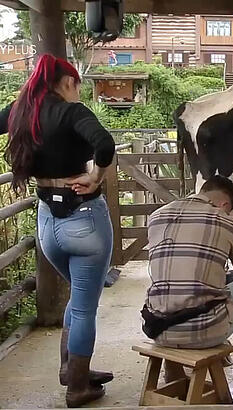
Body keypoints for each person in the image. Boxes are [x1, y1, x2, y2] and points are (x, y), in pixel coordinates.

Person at [0, 54, 116, 407]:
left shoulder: (20, 112)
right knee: (84, 307)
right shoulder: (71, 112)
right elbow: (105, 144)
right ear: (67, 82)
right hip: (84, 220)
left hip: (48, 223)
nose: (76, 92)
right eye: (76, 86)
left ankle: (72, 370)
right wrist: (95, 176)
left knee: (79, 300)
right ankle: (77, 386)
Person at [142, 175, 233, 386]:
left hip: (156, 329)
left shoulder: (157, 216)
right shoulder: (225, 220)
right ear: (224, 204)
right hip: (202, 332)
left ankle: (173, 368)